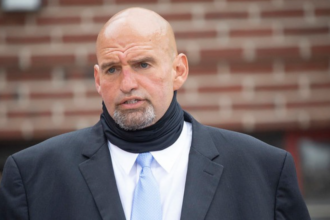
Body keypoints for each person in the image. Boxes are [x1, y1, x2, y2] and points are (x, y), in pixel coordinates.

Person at [0, 7, 310, 220]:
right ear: (97, 80)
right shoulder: (32, 177)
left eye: (142, 64)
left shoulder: (265, 172)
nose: (127, 83)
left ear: (179, 70)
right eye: (112, 69)